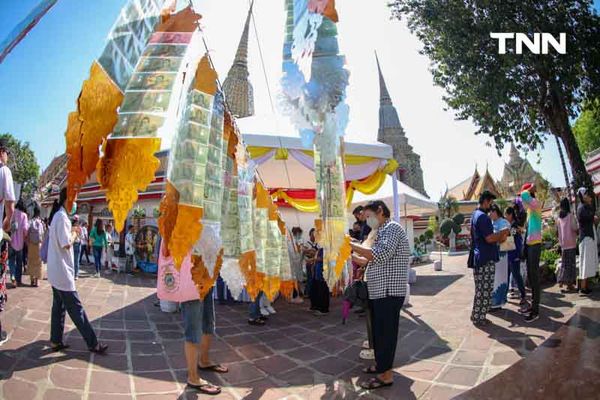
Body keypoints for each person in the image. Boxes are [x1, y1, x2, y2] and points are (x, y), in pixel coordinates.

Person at [350, 201, 409, 390]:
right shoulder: (381, 231)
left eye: (369, 216)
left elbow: (380, 255)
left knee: (386, 333)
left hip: (388, 292)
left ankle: (386, 375)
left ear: (380, 211)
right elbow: (364, 259)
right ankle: (382, 366)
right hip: (379, 291)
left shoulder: (392, 228)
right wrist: (347, 251)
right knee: (378, 333)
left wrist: (351, 244)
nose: (367, 221)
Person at [47, 188, 107, 354]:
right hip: (62, 272)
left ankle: (55, 340)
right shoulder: (62, 218)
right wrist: (75, 232)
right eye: (75, 200)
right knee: (76, 309)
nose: (76, 204)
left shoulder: (59, 216)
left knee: (58, 307)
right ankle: (92, 343)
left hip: (56, 270)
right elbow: (66, 243)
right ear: (68, 199)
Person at [469, 191, 508, 326]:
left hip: (479, 256)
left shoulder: (474, 214)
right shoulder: (483, 218)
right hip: (485, 257)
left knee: (480, 289)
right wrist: (502, 233)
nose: (491, 206)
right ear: (485, 201)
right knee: (485, 290)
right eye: (490, 202)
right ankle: (479, 318)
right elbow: (489, 238)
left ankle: (476, 315)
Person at [181, 287, 225, 394]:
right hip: (191, 280)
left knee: (208, 322)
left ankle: (204, 361)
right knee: (193, 329)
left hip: (206, 278)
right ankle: (193, 378)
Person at [520, 183, 542, 322]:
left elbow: (524, 195)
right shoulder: (530, 210)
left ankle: (535, 310)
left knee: (534, 277)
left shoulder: (535, 204)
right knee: (531, 276)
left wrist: (530, 188)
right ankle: (533, 306)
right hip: (529, 245)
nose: (522, 201)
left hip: (535, 245)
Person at [577, 187, 598, 295]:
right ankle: (583, 288)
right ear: (582, 196)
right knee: (585, 262)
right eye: (585, 194)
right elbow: (587, 218)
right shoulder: (582, 208)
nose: (588, 196)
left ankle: (585, 286)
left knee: (587, 262)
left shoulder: (585, 207)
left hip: (588, 238)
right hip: (586, 238)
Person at [489, 204, 510, 310]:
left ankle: (498, 302)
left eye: (491, 212)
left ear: (495, 211)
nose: (489, 214)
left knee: (500, 278)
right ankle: (494, 302)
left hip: (501, 254)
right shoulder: (492, 222)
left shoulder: (503, 222)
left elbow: (505, 236)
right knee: (494, 278)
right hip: (494, 254)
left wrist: (494, 238)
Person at [555, 198, 578, 293]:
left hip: (563, 243)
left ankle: (561, 280)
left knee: (564, 264)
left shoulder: (559, 218)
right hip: (571, 242)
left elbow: (558, 232)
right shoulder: (570, 216)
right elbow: (574, 227)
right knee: (571, 264)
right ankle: (569, 285)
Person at [504, 207, 527, 304]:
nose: (505, 217)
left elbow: (511, 237)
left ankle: (523, 295)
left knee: (516, 274)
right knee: (509, 274)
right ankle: (505, 295)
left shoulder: (513, 226)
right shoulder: (514, 225)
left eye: (506, 215)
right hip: (511, 253)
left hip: (514, 253)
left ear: (510, 215)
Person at [8, 200, 28, 286]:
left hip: (11, 241)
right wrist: (25, 238)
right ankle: (18, 280)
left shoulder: (13, 213)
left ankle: (12, 277)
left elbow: (8, 225)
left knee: (11, 260)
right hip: (20, 243)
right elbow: (25, 229)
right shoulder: (24, 215)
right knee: (19, 262)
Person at [27, 207, 45, 286]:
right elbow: (42, 234)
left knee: (31, 261)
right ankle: (37, 281)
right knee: (38, 262)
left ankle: (31, 280)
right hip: (39, 244)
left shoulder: (30, 222)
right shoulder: (41, 223)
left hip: (31, 244)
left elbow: (27, 233)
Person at [309, 247, 329, 316]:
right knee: (315, 290)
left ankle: (323, 309)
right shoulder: (321, 247)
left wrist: (314, 259)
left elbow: (326, 258)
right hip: (317, 271)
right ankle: (316, 306)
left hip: (323, 272)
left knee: (323, 291)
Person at [289, 227, 305, 304]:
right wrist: (302, 250)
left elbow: (300, 251)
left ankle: (297, 295)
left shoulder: (296, 241)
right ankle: (294, 296)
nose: (300, 235)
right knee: (294, 280)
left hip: (297, 264)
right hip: (294, 264)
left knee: (297, 280)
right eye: (299, 233)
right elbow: (295, 253)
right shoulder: (292, 242)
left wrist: (302, 249)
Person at [303, 228, 320, 302]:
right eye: (313, 234)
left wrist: (313, 252)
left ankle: (314, 292)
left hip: (316, 263)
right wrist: (311, 252)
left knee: (315, 278)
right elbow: (305, 253)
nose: (314, 236)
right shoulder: (306, 243)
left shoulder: (318, 244)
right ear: (310, 235)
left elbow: (318, 253)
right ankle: (307, 292)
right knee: (309, 278)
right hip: (309, 263)